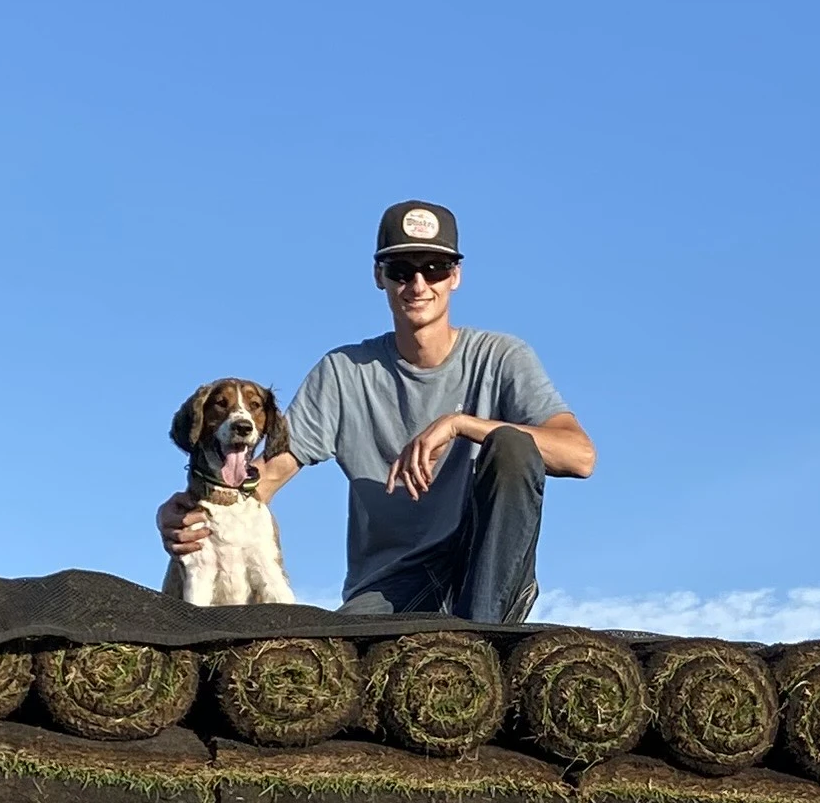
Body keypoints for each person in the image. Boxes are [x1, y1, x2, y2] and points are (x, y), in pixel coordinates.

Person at [155, 200, 595, 621]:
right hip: (389, 591)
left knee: (512, 445)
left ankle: (483, 639)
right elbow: (265, 478)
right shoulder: (344, 371)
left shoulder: (501, 356)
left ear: (455, 276)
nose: (419, 284)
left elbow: (579, 456)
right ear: (378, 277)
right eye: (401, 271)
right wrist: (188, 512)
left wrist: (461, 424)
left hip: (480, 577)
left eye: (435, 268)